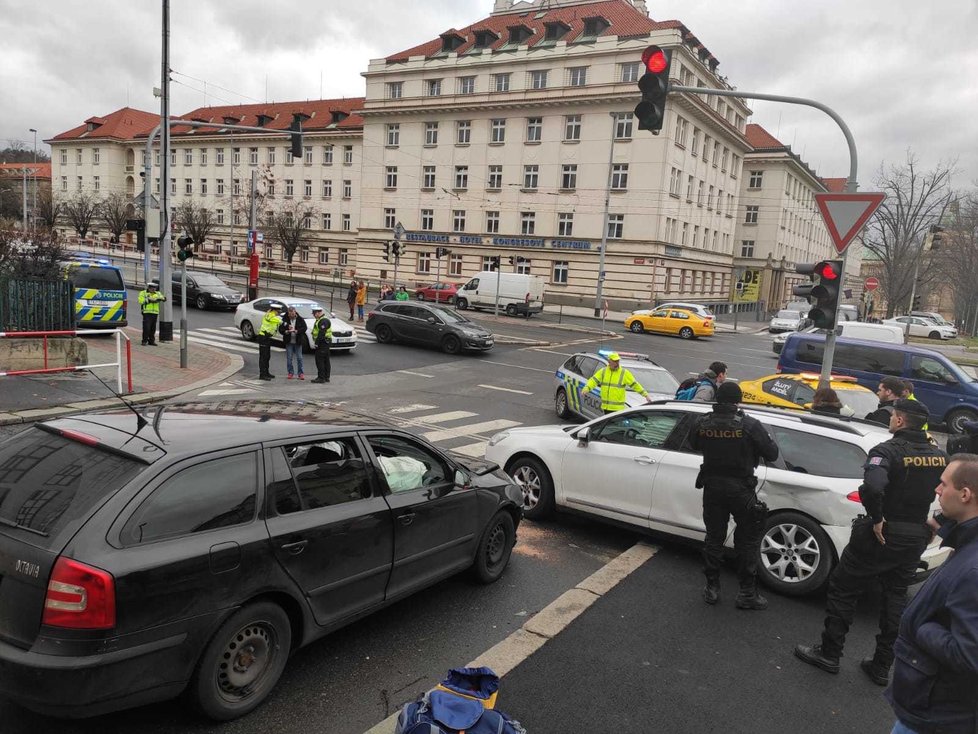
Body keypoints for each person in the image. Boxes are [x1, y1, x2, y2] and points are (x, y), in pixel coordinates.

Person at [794, 399, 948, 685]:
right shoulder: (939, 455)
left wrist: (877, 517)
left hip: (882, 532)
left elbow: (874, 486)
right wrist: (939, 522)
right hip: (915, 534)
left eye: (893, 417)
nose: (891, 420)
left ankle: (829, 654)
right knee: (895, 597)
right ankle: (881, 665)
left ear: (900, 421)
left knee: (844, 589)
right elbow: (951, 488)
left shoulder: (886, 451)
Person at [886, 453, 978, 734]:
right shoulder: (968, 544)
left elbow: (969, 654)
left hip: (934, 717)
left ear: (964, 494)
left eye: (943, 484)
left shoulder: (973, 569)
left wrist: (922, 627)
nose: (937, 490)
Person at [690, 381, 780, 609]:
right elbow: (772, 452)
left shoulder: (702, 422)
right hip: (741, 490)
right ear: (738, 401)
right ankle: (747, 594)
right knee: (747, 541)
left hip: (712, 488)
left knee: (713, 538)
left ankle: (712, 589)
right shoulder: (749, 425)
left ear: (717, 399)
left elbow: (693, 444)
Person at [582, 352, 654, 414]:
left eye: (618, 361)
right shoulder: (603, 371)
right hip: (606, 407)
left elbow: (635, 385)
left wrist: (645, 395)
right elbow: (593, 381)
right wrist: (587, 388)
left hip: (617, 409)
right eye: (615, 361)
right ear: (610, 361)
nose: (617, 363)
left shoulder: (624, 373)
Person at [279, 305, 307, 380]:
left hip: (298, 341)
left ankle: (300, 373)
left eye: (293, 314)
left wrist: (297, 331)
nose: (291, 316)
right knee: (289, 358)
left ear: (295, 313)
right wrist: (286, 331)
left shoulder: (300, 319)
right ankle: (290, 373)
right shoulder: (284, 319)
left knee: (299, 358)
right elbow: (280, 329)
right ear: (288, 314)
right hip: (289, 341)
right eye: (290, 315)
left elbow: (304, 328)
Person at [257, 304, 284, 381]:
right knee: (263, 357)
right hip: (263, 337)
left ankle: (266, 372)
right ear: (275, 310)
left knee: (267, 356)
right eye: (279, 311)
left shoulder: (273, 316)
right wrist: (283, 323)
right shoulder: (269, 315)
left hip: (267, 337)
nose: (279, 312)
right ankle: (262, 374)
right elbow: (275, 320)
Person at [138, 280, 166, 346]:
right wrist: (149, 300)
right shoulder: (143, 293)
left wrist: (162, 298)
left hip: (155, 313)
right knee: (146, 327)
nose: (154, 289)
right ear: (149, 288)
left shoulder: (157, 293)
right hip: (147, 312)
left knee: (153, 328)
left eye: (155, 288)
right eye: (152, 288)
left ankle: (151, 341)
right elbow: (141, 301)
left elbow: (163, 298)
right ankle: (144, 341)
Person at [309, 306, 332, 384]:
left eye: (314, 314)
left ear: (318, 313)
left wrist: (316, 343)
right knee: (326, 360)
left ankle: (321, 378)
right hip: (325, 343)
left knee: (320, 361)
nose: (313, 315)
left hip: (323, 343)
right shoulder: (321, 320)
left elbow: (322, 333)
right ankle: (326, 377)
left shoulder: (323, 321)